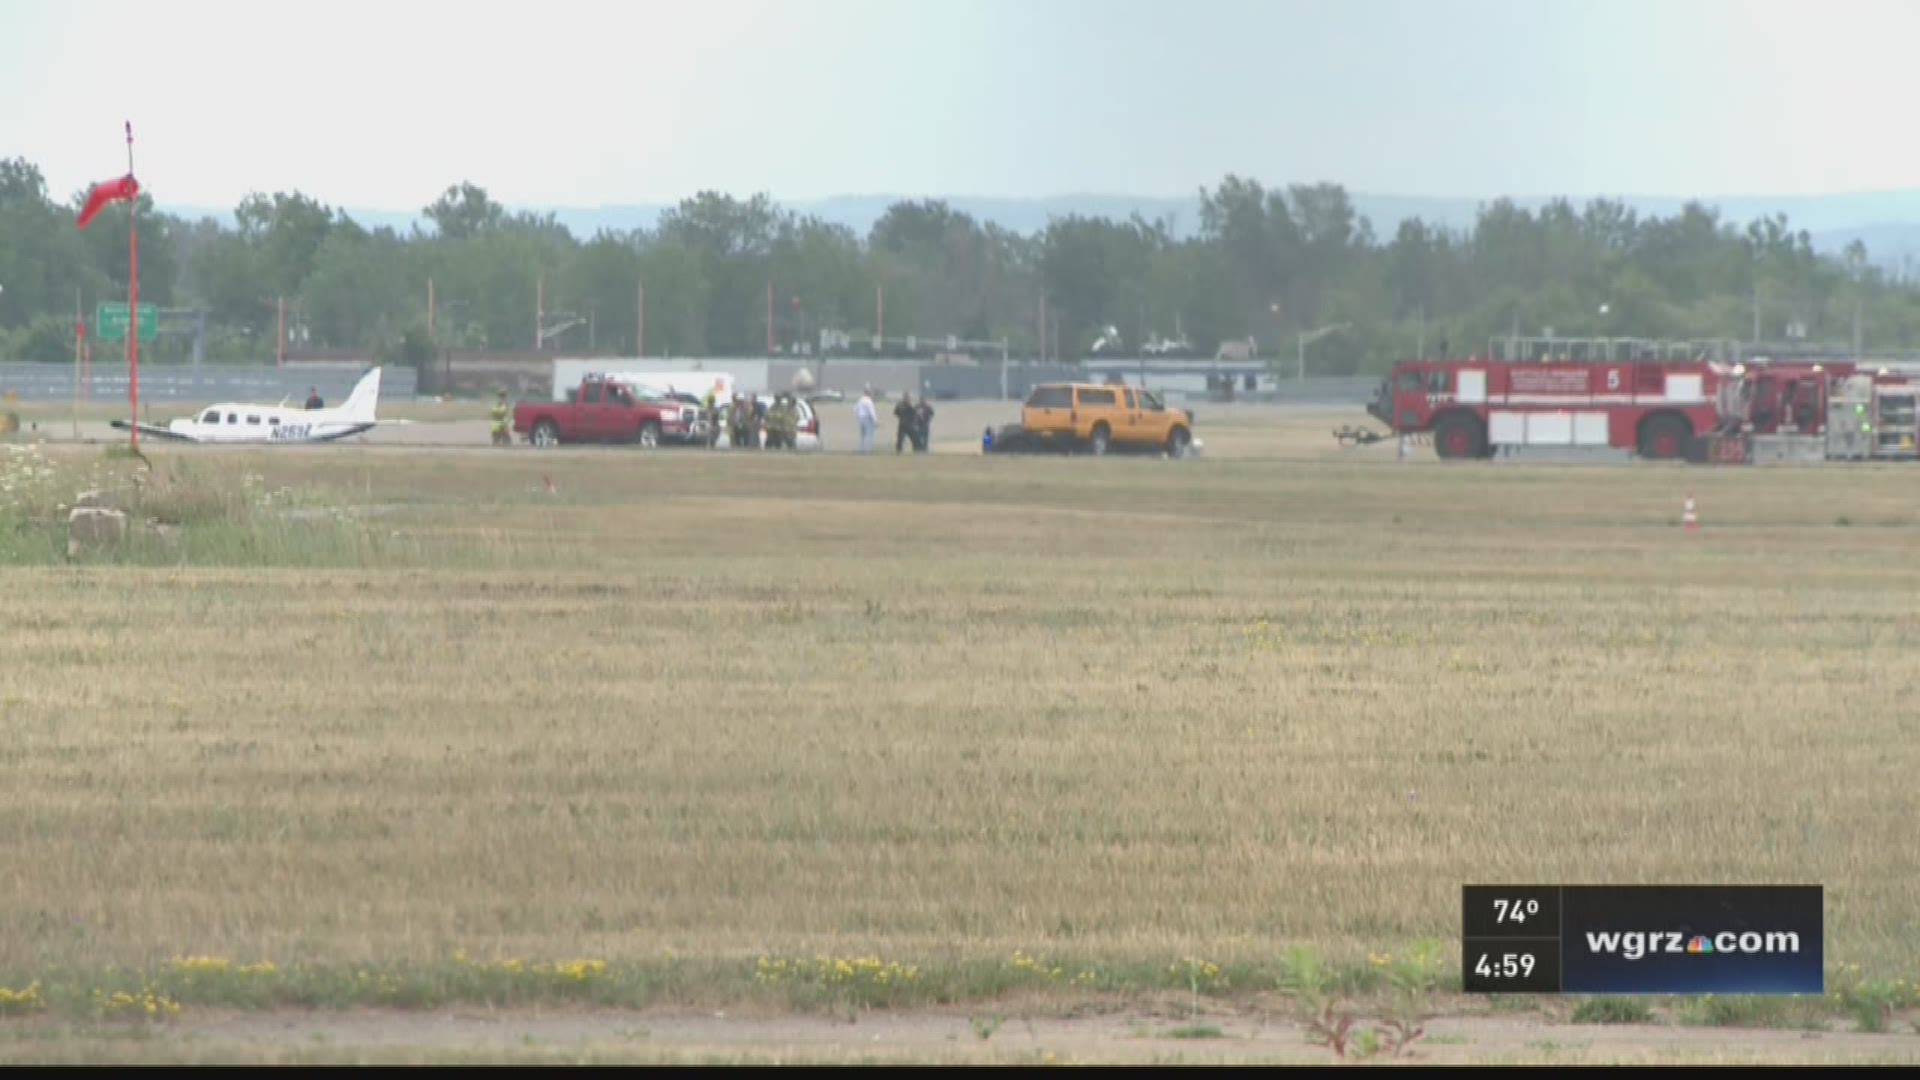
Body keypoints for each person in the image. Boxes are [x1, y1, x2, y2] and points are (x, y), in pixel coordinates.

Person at [855, 386, 877, 452]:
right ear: (869, 393)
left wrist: (857, 417)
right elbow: (871, 411)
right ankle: (868, 450)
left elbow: (855, 409)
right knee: (869, 434)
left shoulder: (860, 400)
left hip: (860, 418)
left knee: (862, 435)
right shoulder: (868, 401)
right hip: (867, 418)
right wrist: (875, 420)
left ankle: (862, 449)